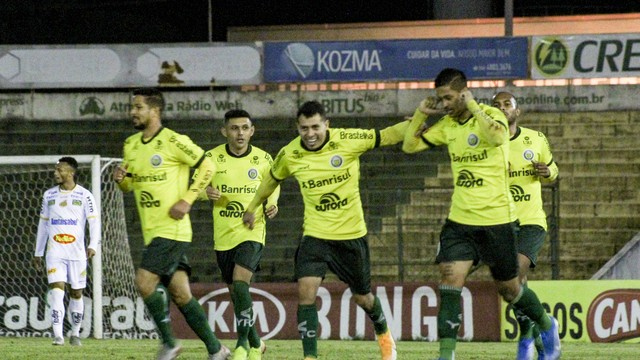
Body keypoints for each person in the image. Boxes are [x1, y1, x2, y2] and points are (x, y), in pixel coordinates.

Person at [402, 68, 561, 360]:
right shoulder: (448, 125)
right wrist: (421, 113)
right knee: (450, 283)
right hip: (460, 221)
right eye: (441, 99)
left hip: (497, 221)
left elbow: (499, 138)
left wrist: (473, 105)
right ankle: (446, 355)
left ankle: (546, 324)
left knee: (510, 290)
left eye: (449, 98)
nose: (445, 104)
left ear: (464, 92)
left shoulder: (490, 114)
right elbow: (410, 145)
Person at [242, 100, 406, 360]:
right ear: (298, 127)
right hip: (315, 236)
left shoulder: (349, 139)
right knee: (306, 292)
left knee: (363, 298)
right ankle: (310, 357)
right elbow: (271, 179)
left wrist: (418, 120)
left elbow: (387, 135)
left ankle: (383, 333)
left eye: (315, 127)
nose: (310, 134)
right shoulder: (290, 153)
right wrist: (252, 206)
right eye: (304, 128)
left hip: (351, 236)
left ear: (326, 124)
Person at [112, 87, 229, 360]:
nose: (133, 112)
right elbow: (130, 186)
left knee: (143, 282)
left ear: (155, 110)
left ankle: (169, 344)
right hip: (152, 232)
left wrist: (188, 199)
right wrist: (122, 179)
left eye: (138, 107)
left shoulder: (174, 141)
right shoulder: (130, 145)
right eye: (133, 107)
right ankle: (217, 349)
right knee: (180, 293)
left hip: (172, 229)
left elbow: (208, 165)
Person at [197, 109, 279, 360]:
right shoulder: (211, 158)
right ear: (225, 131)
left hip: (252, 230)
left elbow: (273, 184)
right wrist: (205, 193)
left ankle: (243, 345)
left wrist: (271, 203)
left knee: (241, 282)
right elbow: (197, 186)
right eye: (234, 128)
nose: (240, 133)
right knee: (236, 292)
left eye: (245, 128)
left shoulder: (264, 159)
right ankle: (258, 342)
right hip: (223, 234)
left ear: (252, 131)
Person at [492, 91, 559, 360]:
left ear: (516, 112)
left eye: (507, 104)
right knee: (512, 287)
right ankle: (534, 337)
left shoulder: (535, 139)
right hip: (500, 223)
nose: (502, 108)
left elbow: (554, 170)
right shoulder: (487, 143)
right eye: (496, 105)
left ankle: (528, 338)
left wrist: (547, 172)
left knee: (514, 275)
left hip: (531, 221)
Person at [33, 156, 100, 347]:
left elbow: (94, 222)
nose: (56, 173)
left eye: (60, 170)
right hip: (55, 251)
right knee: (56, 291)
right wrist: (38, 251)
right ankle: (58, 336)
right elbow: (43, 224)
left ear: (71, 172)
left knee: (76, 293)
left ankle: (75, 333)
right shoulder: (49, 195)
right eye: (55, 170)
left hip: (77, 252)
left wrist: (93, 245)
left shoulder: (85, 195)